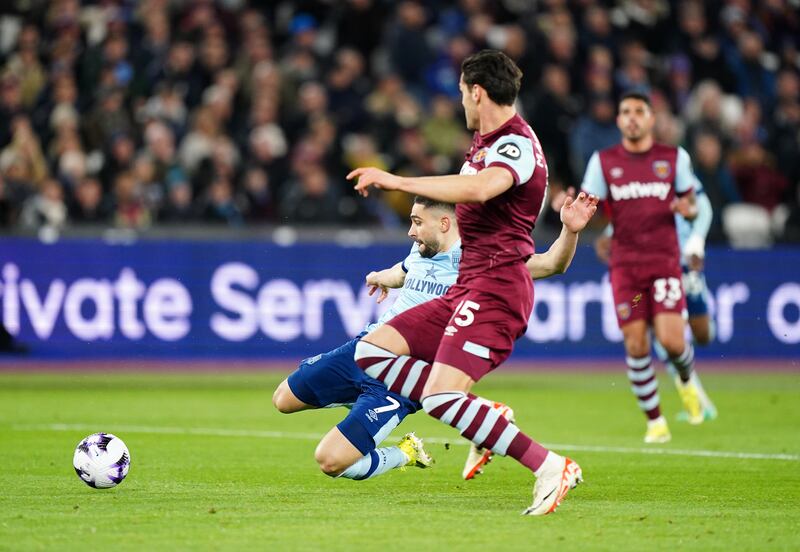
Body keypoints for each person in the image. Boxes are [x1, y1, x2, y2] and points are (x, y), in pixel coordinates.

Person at [348, 50, 589, 516]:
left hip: (496, 290)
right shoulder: (484, 144)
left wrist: (396, 181)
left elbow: (479, 191)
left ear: (477, 92)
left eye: (461, 93)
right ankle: (482, 416)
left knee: (439, 396)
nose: (461, 103)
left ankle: (549, 466)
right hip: (468, 286)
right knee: (370, 352)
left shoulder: (514, 145)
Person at [272, 191, 598, 483]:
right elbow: (401, 272)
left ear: (444, 223)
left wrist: (570, 229)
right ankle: (355, 400)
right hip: (366, 348)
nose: (411, 231)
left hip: (401, 379)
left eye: (417, 222)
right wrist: (378, 277)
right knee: (283, 400)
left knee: (331, 461)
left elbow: (552, 264)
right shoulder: (420, 251)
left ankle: (406, 453)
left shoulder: (483, 260)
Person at [580, 91, 711, 444]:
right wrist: (575, 211)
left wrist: (689, 210)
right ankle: (655, 422)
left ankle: (684, 377)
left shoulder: (673, 158)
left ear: (651, 119)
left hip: (665, 265)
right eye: (626, 112)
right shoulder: (604, 162)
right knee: (636, 344)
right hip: (627, 270)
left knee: (671, 341)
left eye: (639, 111)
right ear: (619, 120)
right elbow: (588, 203)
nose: (633, 117)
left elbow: (691, 201)